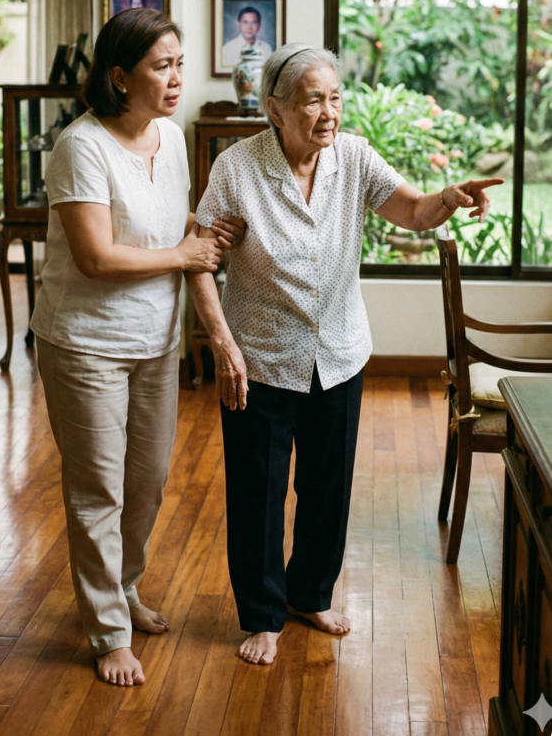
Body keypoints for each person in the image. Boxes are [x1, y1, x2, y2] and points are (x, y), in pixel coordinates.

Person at [187, 44, 503, 667]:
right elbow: (200, 259)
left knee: (327, 488)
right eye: (312, 100)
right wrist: (222, 345)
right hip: (262, 356)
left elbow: (411, 210)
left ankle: (310, 595)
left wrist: (447, 198)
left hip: (337, 351)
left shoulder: (353, 157)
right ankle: (262, 616)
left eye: (335, 97)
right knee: (259, 491)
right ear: (275, 109)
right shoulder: (236, 168)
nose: (328, 113)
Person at [30, 9, 245, 688]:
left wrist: (201, 231)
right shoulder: (81, 146)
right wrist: (183, 251)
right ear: (121, 77)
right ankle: (106, 630)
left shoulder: (172, 139)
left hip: (155, 340)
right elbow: (94, 256)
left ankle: (121, 591)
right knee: (97, 489)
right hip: (83, 341)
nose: (177, 77)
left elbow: (164, 220)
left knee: (146, 483)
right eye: (162, 66)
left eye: (180, 62)